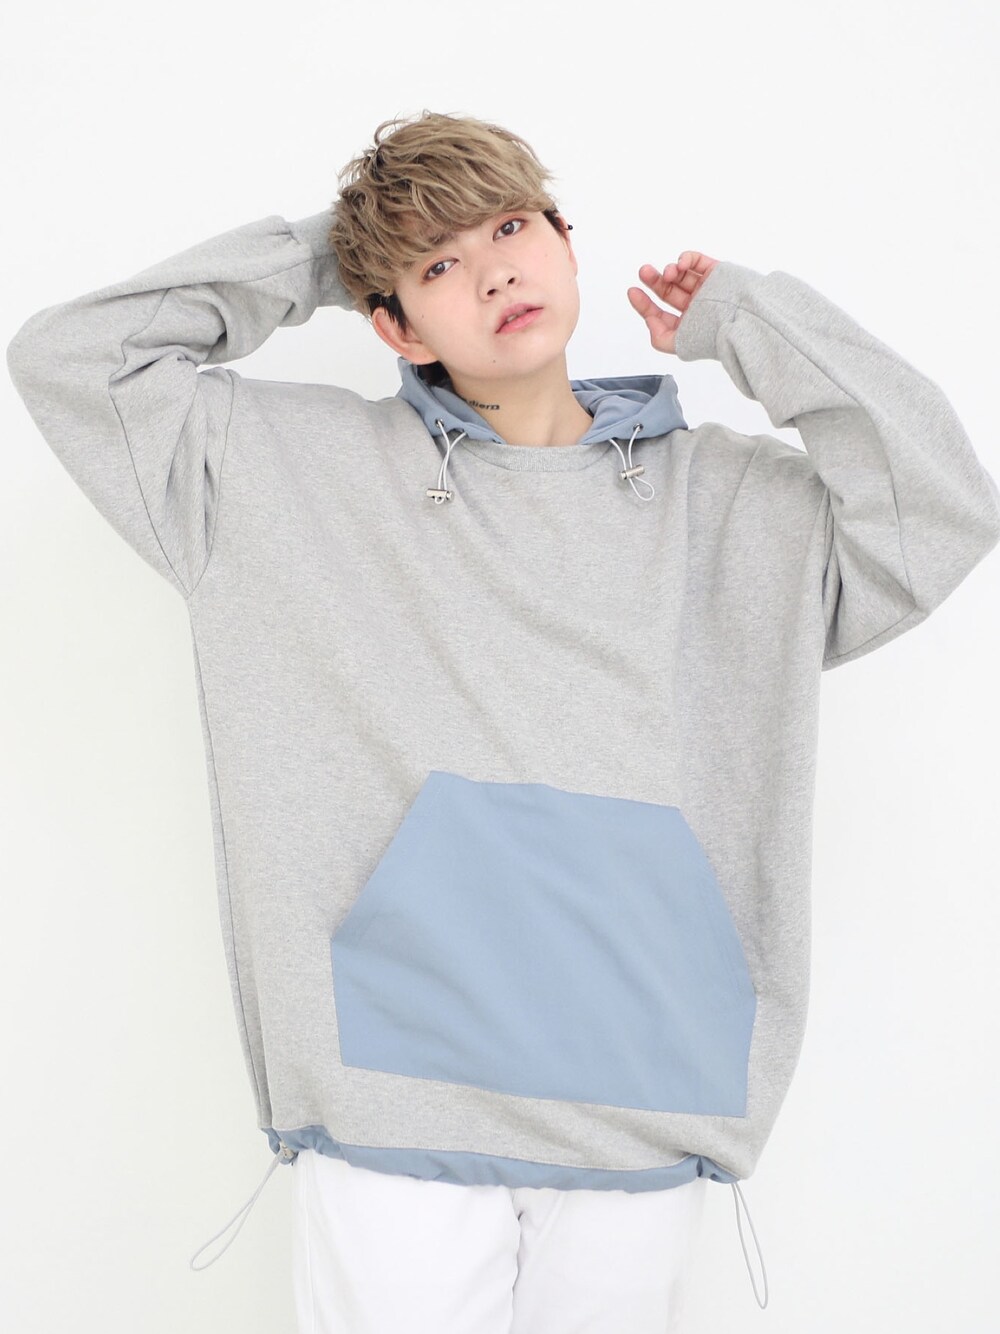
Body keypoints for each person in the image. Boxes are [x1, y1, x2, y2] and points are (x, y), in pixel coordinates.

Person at [6, 108, 999, 1334]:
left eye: (512, 227)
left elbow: (940, 507)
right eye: (440, 264)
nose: (492, 273)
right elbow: (72, 356)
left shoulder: (737, 507)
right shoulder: (280, 471)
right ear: (391, 324)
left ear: (566, 241)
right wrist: (340, 253)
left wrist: (755, 323)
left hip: (642, 1091)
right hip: (394, 1096)